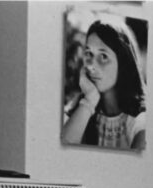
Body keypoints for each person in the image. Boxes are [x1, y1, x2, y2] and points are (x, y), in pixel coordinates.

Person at [62, 16, 146, 150]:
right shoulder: (78, 109)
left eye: (103, 56)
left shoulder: (142, 120)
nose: (91, 66)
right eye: (89, 53)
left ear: (123, 63)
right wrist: (89, 100)